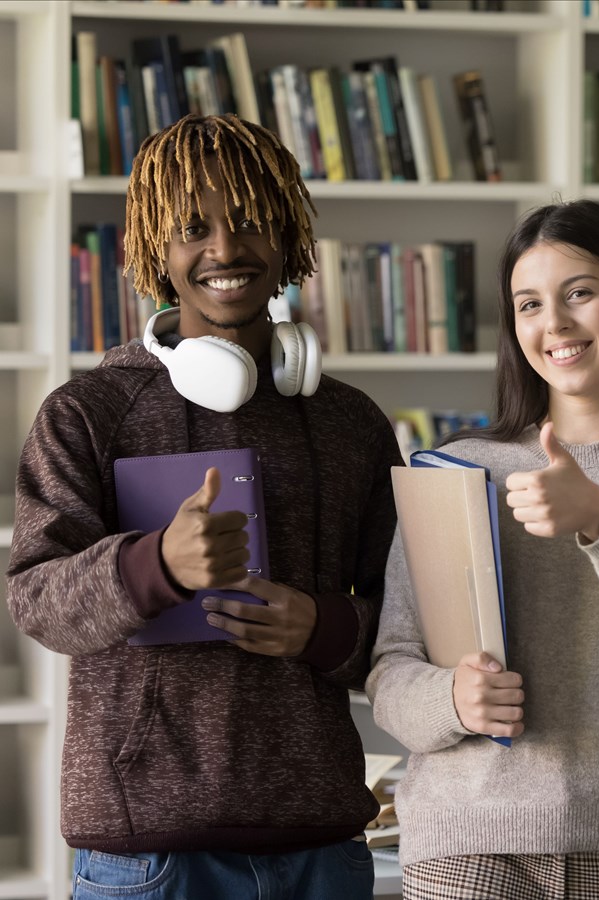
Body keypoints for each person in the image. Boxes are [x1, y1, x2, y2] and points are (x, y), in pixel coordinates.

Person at [6, 114, 397, 898]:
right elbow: (36, 599)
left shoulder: (351, 422)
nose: (225, 249)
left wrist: (323, 627)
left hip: (321, 842)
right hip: (147, 854)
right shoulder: (85, 413)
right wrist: (157, 564)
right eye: (193, 228)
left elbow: (414, 622)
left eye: (250, 221)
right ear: (157, 250)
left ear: (288, 239)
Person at [366, 199, 599, 900]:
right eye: (529, 305)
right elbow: (390, 670)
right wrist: (452, 697)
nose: (556, 324)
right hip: (469, 847)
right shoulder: (457, 469)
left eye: (580, 293)